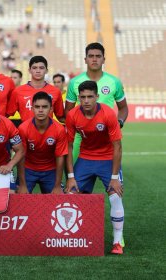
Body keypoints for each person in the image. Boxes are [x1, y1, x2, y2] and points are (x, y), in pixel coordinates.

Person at [65, 81, 124, 255]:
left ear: (97, 97)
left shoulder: (108, 114)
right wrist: (70, 176)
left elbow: (117, 147)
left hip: (107, 159)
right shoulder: (72, 115)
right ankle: (77, 236)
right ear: (78, 99)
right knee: (70, 195)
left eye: (90, 96)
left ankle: (117, 241)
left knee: (115, 196)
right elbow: (68, 146)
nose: (86, 100)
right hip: (85, 158)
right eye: (82, 97)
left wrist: (114, 178)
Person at [65, 42, 128, 162]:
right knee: (74, 173)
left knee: (112, 177)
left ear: (103, 60)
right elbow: (68, 110)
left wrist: (119, 122)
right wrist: (75, 126)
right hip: (81, 136)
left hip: (107, 135)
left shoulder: (114, 82)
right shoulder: (74, 82)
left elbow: (123, 107)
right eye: (91, 56)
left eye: (98, 56)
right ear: (85, 59)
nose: (94, 59)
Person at [17, 92, 67, 194]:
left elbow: (60, 157)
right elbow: (20, 156)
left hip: (50, 170)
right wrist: (22, 184)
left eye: (44, 107)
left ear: (51, 109)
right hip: (28, 169)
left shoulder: (59, 129)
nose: (40, 110)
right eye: (37, 107)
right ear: (32, 108)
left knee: (58, 199)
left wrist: (57, 185)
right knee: (19, 197)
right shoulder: (23, 128)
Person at [7, 56, 65, 123]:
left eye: (41, 68)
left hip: (48, 132)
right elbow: (7, 114)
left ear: (46, 70)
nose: (38, 71)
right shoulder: (18, 91)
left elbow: (61, 117)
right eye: (34, 68)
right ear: (29, 70)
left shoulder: (55, 92)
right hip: (25, 132)